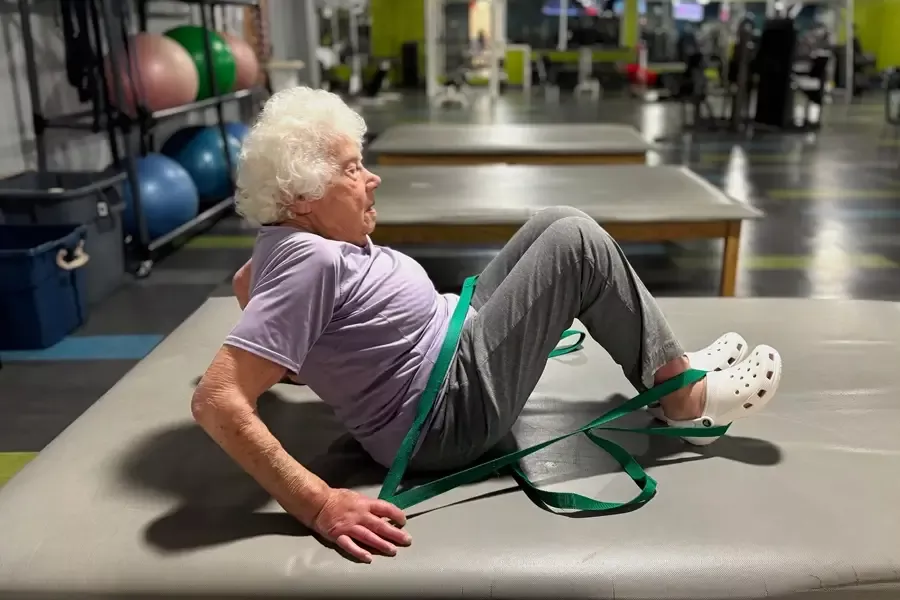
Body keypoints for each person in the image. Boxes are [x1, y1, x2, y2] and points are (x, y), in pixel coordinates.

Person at [192, 86, 783, 563]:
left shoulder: (283, 241)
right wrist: (318, 504)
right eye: (352, 169)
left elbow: (251, 286)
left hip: (453, 346)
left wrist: (310, 360)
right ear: (302, 198)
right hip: (447, 413)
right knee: (576, 244)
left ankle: (667, 359)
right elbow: (216, 399)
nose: (371, 179)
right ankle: (685, 399)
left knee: (556, 219)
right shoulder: (311, 261)